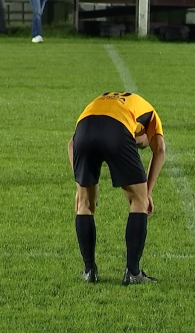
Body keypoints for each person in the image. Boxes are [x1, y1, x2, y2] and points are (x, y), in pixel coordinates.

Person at [68, 91, 166, 285]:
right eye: (140, 145)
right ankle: (133, 272)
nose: (139, 145)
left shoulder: (109, 101)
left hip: (84, 128)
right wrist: (147, 193)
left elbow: (71, 144)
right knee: (138, 202)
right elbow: (160, 150)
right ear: (144, 131)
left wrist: (79, 183)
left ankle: (89, 271)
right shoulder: (151, 115)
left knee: (84, 204)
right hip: (116, 130)